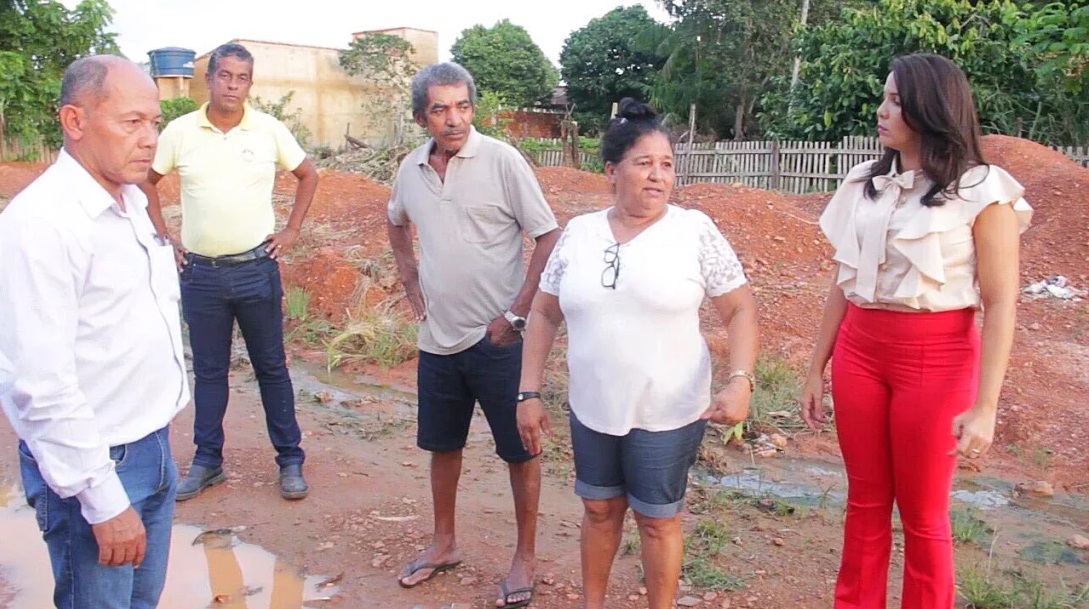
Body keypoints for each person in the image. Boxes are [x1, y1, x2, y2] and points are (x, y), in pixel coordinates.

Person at [800, 53, 1033, 609]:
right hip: (860, 351)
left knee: (925, 515)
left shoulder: (983, 191)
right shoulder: (866, 183)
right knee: (865, 504)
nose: (882, 111)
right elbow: (844, 279)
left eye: (897, 101)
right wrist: (816, 367)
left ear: (933, 107)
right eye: (884, 97)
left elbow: (1001, 303)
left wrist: (987, 407)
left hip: (937, 358)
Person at [516, 98, 760, 609]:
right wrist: (529, 392)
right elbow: (542, 313)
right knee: (600, 510)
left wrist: (740, 379)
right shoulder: (579, 234)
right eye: (644, 163)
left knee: (657, 519)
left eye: (667, 164)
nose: (658, 176)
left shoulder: (693, 231)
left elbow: (740, 311)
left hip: (669, 411)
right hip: (593, 407)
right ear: (611, 170)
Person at [0, 55, 190, 609]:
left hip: (152, 448)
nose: (150, 139)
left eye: (154, 122)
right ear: (75, 122)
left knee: (139, 602)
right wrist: (103, 501)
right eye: (132, 122)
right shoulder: (42, 225)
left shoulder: (130, 201)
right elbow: (37, 383)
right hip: (96, 467)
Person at [387, 62, 561, 608]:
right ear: (422, 117)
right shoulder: (411, 169)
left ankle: (525, 557)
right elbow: (395, 220)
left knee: (520, 451)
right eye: (440, 109)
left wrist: (515, 313)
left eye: (462, 106)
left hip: (501, 342)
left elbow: (549, 235)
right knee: (442, 445)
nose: (453, 118)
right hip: (437, 339)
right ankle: (443, 543)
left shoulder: (503, 160)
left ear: (473, 108)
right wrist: (408, 275)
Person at [141, 43, 320, 501]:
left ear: (250, 84)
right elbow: (147, 181)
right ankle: (207, 461)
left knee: (272, 368)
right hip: (201, 275)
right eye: (225, 76)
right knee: (209, 371)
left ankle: (290, 460)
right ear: (211, 79)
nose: (232, 86)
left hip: (257, 270)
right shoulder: (180, 132)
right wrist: (165, 238)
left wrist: (293, 231)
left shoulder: (269, 130)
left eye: (242, 78)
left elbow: (308, 174)